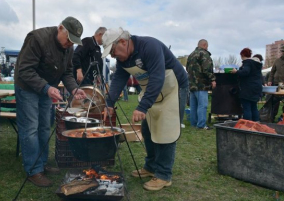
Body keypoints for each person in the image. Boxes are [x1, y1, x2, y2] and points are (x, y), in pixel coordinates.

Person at [102, 27, 188, 191]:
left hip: (173, 88)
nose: (113, 56)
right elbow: (119, 79)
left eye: (113, 51)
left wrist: (142, 106)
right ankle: (151, 166)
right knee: (147, 130)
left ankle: (163, 175)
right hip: (154, 92)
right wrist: (110, 103)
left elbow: (157, 76)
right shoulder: (123, 60)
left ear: (123, 41)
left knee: (166, 131)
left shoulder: (149, 46)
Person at [14, 16, 87, 187]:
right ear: (60, 28)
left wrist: (73, 88)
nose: (70, 44)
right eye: (69, 39)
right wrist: (47, 88)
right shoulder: (37, 39)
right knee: (31, 128)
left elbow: (67, 73)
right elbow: (25, 70)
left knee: (45, 126)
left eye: (73, 42)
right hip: (27, 88)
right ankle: (33, 170)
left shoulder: (68, 48)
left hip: (47, 90)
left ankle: (42, 163)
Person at [186, 39, 216, 130]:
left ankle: (193, 123)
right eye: (207, 46)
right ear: (204, 45)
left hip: (192, 84)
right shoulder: (204, 54)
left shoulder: (191, 55)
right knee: (202, 105)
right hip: (201, 84)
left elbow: (187, 69)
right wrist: (213, 79)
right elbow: (206, 69)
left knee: (194, 105)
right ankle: (201, 125)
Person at [230, 48, 263, 121]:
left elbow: (245, 72)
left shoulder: (247, 63)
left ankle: (247, 124)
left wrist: (236, 72)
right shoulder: (256, 64)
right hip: (256, 88)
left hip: (248, 88)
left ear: (242, 55)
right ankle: (256, 123)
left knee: (247, 107)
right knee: (254, 107)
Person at [267, 45, 284, 121]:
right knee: (274, 102)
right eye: (282, 51)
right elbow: (272, 72)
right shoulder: (277, 61)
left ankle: (282, 117)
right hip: (276, 84)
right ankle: (272, 117)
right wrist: (270, 80)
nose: (282, 53)